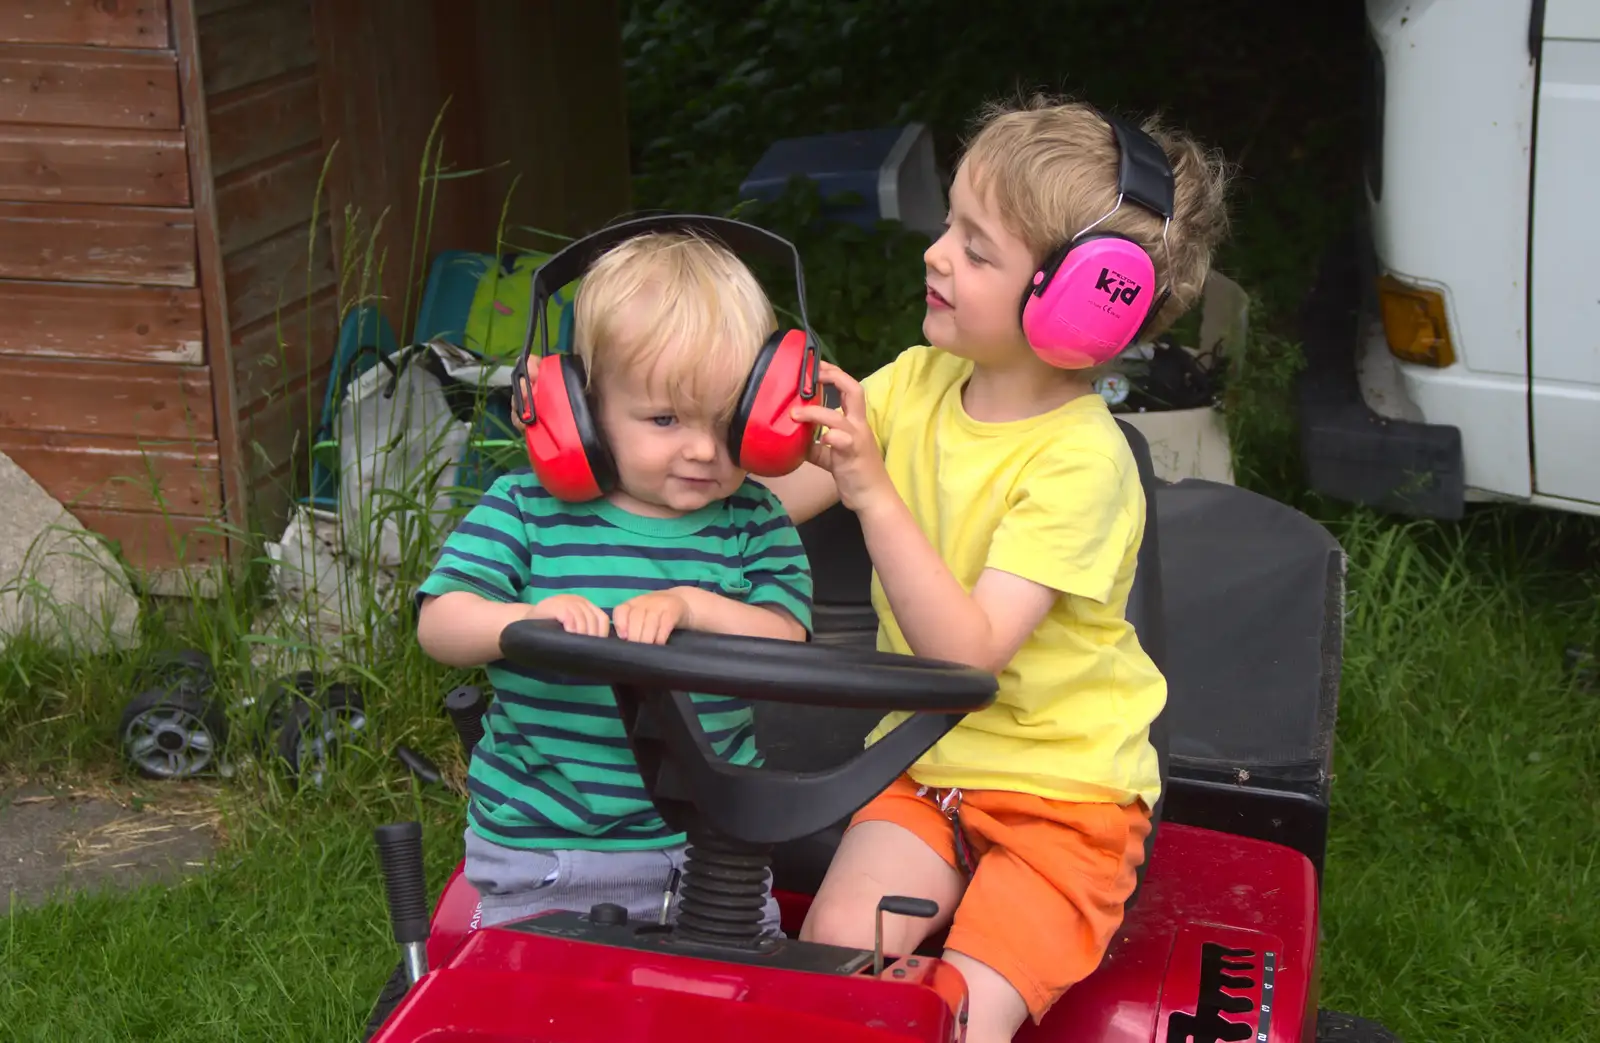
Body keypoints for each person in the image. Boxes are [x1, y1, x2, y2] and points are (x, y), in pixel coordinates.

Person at [759, 95, 1230, 1040]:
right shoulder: (915, 383)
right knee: (837, 957)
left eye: (978, 250)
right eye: (949, 225)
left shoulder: (1080, 462)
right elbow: (766, 506)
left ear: (1079, 302)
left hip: (1067, 799)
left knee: (962, 1016)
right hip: (922, 765)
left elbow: (966, 655)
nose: (937, 253)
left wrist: (871, 490)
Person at [415, 229, 814, 933]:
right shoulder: (524, 508)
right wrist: (522, 622)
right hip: (544, 845)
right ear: (578, 407)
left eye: (726, 423)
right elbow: (440, 623)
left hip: (713, 848)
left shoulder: (755, 521)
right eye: (664, 418)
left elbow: (786, 640)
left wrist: (694, 606)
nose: (700, 448)